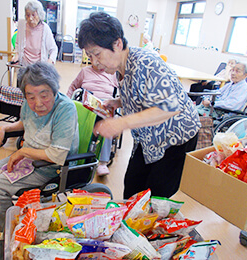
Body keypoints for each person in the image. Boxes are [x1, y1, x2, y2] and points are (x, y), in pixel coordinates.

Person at [78, 12, 201, 199]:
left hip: (175, 139)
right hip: (147, 138)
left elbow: (170, 106)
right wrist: (118, 102)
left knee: (156, 196)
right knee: (133, 187)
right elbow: (143, 94)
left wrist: (121, 123)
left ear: (117, 44)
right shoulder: (120, 67)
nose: (94, 62)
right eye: (90, 55)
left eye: (97, 54)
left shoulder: (147, 63)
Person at [0, 62, 79, 232]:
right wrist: (3, 128)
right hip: (28, 159)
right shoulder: (28, 104)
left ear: (54, 91)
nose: (37, 103)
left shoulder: (65, 109)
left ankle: (4, 232)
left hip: (49, 167)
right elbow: (25, 122)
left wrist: (22, 151)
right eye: (31, 97)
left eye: (44, 95)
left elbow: (57, 155)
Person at [67, 64, 118, 176]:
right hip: (88, 104)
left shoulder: (111, 72)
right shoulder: (85, 71)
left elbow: (119, 92)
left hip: (105, 105)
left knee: (108, 123)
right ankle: (76, 153)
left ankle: (103, 163)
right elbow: (73, 87)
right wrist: (67, 101)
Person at [12, 0, 58, 65]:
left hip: (39, 67)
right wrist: (16, 55)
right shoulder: (21, 24)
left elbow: (53, 49)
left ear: (39, 15)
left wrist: (49, 62)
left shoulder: (45, 29)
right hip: (24, 66)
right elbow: (17, 44)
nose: (30, 18)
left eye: (33, 15)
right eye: (28, 15)